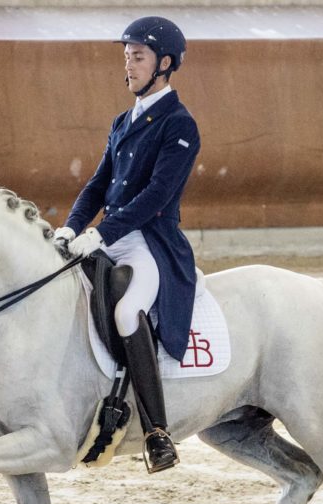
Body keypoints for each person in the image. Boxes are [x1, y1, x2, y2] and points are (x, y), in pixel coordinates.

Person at [54, 16, 201, 474]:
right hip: (111, 236)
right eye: (126, 57)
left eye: (138, 57)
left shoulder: (179, 124)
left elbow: (156, 196)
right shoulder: (123, 121)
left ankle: (158, 433)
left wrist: (101, 233)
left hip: (148, 243)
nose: (129, 66)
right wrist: (71, 227)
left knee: (124, 311)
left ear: (165, 64)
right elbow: (98, 184)